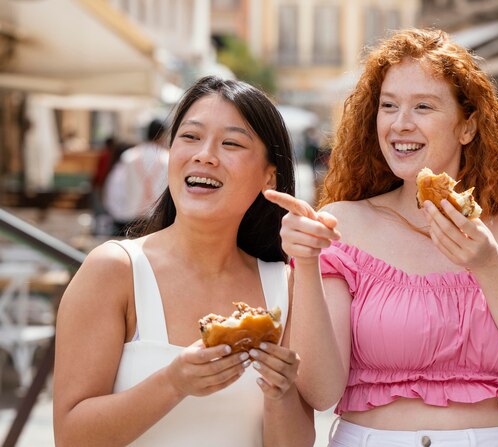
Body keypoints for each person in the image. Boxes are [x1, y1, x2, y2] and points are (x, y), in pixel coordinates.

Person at [265, 28, 498, 446]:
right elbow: (321, 392)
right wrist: (305, 263)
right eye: (388, 106)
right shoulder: (342, 224)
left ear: (467, 127)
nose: (401, 124)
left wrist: (491, 267)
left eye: (423, 106)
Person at [53, 76, 315, 446]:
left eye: (231, 143)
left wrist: (280, 393)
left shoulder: (284, 285)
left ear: (268, 176)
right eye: (190, 137)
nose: (205, 154)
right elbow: (70, 437)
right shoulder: (114, 270)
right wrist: (173, 383)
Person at [103, 119, 169, 236]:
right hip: (157, 217)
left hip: (131, 215)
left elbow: (118, 186)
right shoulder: (167, 158)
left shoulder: (128, 156)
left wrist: (118, 213)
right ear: (162, 135)